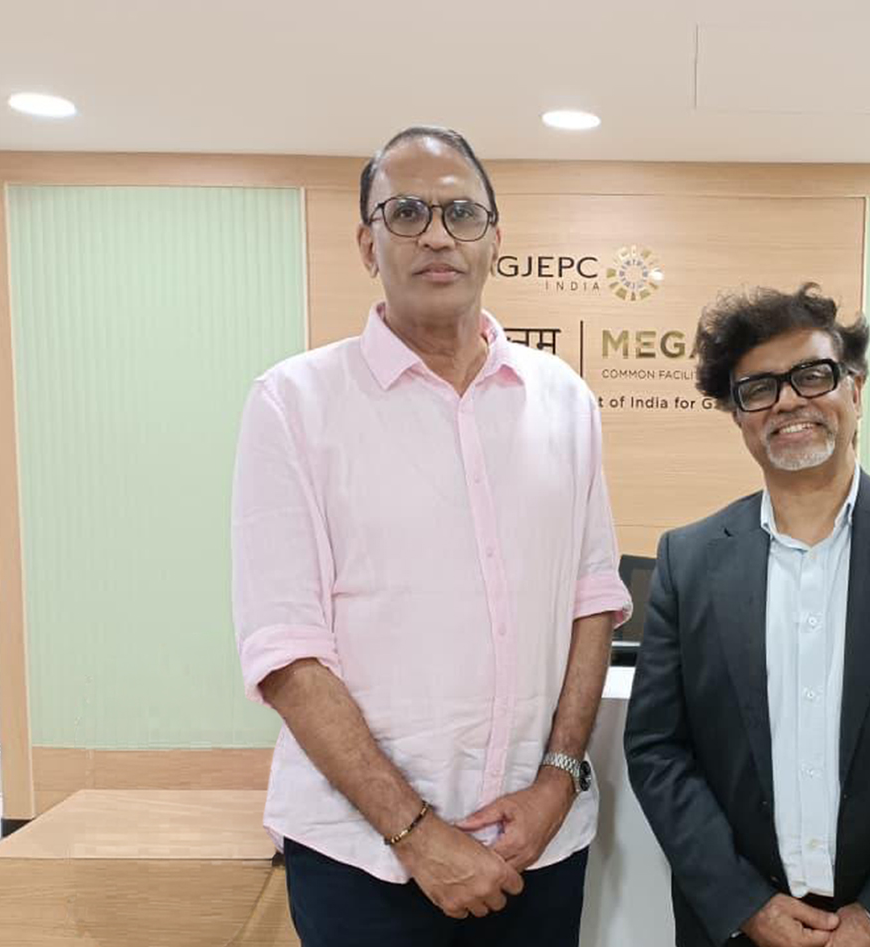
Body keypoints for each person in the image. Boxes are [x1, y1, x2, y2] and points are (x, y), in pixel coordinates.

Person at [231, 125, 631, 947]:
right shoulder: (294, 403)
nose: (438, 234)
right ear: (367, 244)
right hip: (361, 860)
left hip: (539, 845)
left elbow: (592, 600)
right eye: (407, 212)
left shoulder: (564, 400)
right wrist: (416, 833)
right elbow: (285, 650)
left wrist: (558, 780)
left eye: (461, 212)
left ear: (495, 239)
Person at [624, 284, 870, 947]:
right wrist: (745, 903)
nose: (788, 400)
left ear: (855, 391)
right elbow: (657, 750)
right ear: (739, 417)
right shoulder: (687, 561)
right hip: (745, 929)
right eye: (759, 388)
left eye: (812, 375)